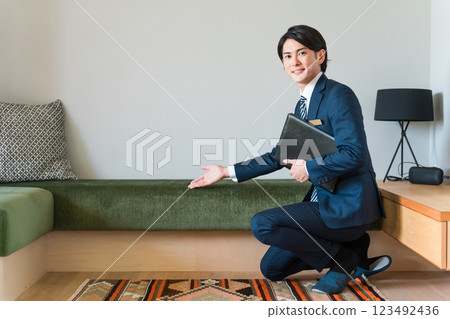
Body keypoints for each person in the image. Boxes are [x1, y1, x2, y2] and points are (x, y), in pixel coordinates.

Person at [188, 25, 390, 294]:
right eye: (287, 56)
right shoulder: (302, 105)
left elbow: (354, 155)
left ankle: (344, 260)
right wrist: (225, 171)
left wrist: (309, 167)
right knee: (272, 269)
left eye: (301, 53)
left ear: (320, 56)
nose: (294, 62)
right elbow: (280, 155)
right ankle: (354, 248)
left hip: (347, 207)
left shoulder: (338, 95)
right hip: (325, 205)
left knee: (263, 223)